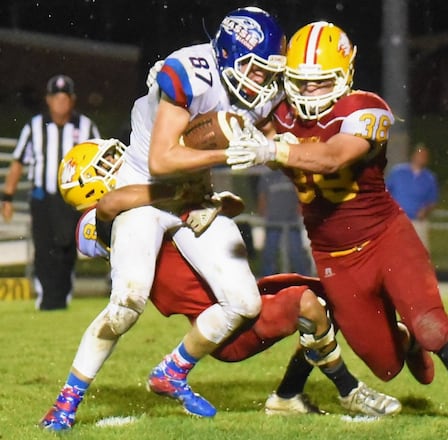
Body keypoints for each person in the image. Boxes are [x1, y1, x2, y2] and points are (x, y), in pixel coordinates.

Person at [227, 21, 448, 428]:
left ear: (344, 76)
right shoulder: (275, 113)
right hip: (334, 257)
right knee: (386, 367)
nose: (310, 92)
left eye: (321, 82)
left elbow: (333, 156)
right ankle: (408, 339)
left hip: (385, 238)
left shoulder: (364, 109)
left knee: (433, 326)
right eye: (302, 82)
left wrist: (272, 148)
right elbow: (224, 124)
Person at [39, 8, 292, 431]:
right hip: (151, 193)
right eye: (255, 68)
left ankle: (172, 371)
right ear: (229, 54)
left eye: (268, 72)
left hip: (190, 195)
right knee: (128, 301)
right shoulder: (191, 72)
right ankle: (67, 400)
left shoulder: (259, 88)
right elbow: (162, 159)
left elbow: (268, 139)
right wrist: (229, 155)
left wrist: (275, 149)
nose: (261, 80)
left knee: (245, 303)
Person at [47, 139, 401, 424]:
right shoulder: (99, 222)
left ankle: (288, 395)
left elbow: (215, 215)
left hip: (230, 299)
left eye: (113, 156)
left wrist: (209, 203)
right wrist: (178, 195)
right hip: (222, 324)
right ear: (86, 190)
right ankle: (348, 389)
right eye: (106, 165)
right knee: (310, 303)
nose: (119, 163)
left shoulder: (152, 205)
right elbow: (113, 206)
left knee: (330, 293)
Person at [2, 74, 101, 310]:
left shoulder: (85, 126)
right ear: (48, 100)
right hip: (42, 197)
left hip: (71, 199)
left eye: (65, 97)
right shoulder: (34, 126)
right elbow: (18, 162)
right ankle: (47, 298)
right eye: (56, 97)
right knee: (44, 247)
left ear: (72, 100)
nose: (61, 102)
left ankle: (62, 293)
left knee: (67, 247)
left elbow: (99, 159)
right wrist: (7, 196)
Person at [257, 166, 312, 276]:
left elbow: (300, 194)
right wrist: (263, 214)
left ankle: (304, 277)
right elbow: (262, 197)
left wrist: (301, 211)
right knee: (270, 252)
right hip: (272, 221)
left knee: (296, 252)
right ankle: (267, 278)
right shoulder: (266, 177)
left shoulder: (293, 175)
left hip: (291, 221)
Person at [385, 144, 439, 249]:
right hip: (397, 220)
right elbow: (385, 192)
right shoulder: (398, 172)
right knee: (395, 250)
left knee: (419, 252)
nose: (421, 158)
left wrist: (426, 210)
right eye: (420, 155)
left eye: (424, 156)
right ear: (413, 155)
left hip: (417, 222)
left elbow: (432, 200)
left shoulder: (429, 178)